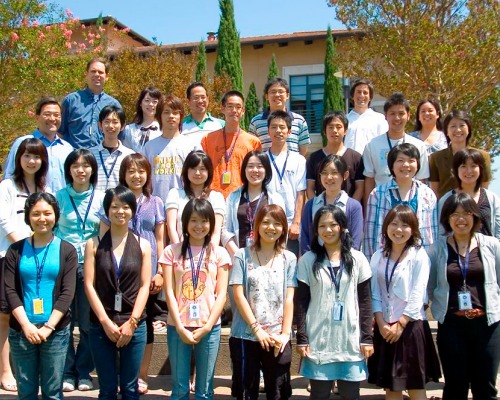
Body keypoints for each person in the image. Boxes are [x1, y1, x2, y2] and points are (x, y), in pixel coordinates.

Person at [295, 205, 373, 400]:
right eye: (322, 226)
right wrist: (302, 337)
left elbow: (365, 302)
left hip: (350, 340)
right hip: (319, 340)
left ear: (342, 227)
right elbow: (301, 302)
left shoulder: (358, 259)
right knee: (319, 395)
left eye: (333, 225)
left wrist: (367, 337)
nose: (328, 230)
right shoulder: (308, 260)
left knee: (350, 395)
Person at [4, 192, 77, 400]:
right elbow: (10, 290)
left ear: (56, 216)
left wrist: (48, 327)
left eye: (47, 213)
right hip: (21, 331)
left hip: (55, 331)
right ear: (28, 217)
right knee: (25, 392)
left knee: (53, 392)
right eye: (36, 214)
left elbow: (67, 292)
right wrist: (27, 325)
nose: (42, 218)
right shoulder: (15, 250)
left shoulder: (67, 250)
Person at [428, 192, 500, 400]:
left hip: (487, 324)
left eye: (467, 213)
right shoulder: (437, 249)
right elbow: (430, 285)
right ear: (447, 218)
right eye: (455, 214)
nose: (461, 219)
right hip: (452, 324)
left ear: (476, 217)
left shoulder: (491, 245)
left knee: (485, 386)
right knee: (455, 385)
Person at [84, 186, 152, 399]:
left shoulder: (143, 245)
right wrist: (105, 322)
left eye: (125, 207)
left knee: (131, 389)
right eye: (114, 207)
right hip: (101, 325)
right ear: (107, 210)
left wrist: (132, 323)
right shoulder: (93, 244)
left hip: (134, 325)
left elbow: (144, 285)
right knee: (107, 389)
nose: (120, 212)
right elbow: (88, 284)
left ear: (132, 210)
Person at [159, 198, 230, 399]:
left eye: (204, 221)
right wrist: (179, 326)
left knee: (205, 388)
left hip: (209, 327)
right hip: (177, 326)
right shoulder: (171, 252)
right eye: (194, 221)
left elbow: (222, 293)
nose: (199, 226)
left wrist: (208, 327)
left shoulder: (220, 253)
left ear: (211, 224)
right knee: (179, 387)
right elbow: (170, 292)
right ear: (185, 223)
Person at [368, 205, 441, 399]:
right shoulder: (378, 256)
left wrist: (400, 324)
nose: (398, 230)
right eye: (394, 224)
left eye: (405, 225)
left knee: (416, 388)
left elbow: (418, 294)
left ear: (413, 230)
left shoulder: (419, 255)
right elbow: (374, 293)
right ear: (386, 227)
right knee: (392, 389)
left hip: (411, 327)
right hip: (385, 329)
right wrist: (382, 324)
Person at [107, 154, 166, 394]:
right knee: (118, 320)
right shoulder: (115, 199)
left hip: (148, 274)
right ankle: (120, 374)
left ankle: (140, 375)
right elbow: (105, 237)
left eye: (141, 171)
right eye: (131, 171)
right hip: (120, 274)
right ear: (123, 174)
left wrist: (160, 270)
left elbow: (161, 239)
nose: (136, 175)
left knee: (145, 325)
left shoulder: (156, 202)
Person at [229, 204, 297, 400]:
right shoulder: (242, 255)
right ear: (257, 225)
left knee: (278, 392)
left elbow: (289, 298)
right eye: (266, 222)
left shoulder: (289, 258)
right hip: (245, 335)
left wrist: (285, 334)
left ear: (283, 228)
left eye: (277, 223)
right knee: (246, 393)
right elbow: (238, 294)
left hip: (277, 337)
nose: (271, 227)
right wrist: (256, 328)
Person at [0, 138, 49, 393]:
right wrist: (27, 246)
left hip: (37, 259)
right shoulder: (7, 186)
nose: (32, 161)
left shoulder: (43, 187)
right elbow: (5, 221)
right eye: (27, 156)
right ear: (18, 159)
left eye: (37, 156)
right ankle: (5, 370)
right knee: (6, 315)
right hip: (9, 256)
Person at [55, 149, 104, 392]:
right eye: (75, 165)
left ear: (93, 170)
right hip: (64, 265)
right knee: (63, 321)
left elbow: (104, 233)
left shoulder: (101, 197)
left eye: (86, 165)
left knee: (86, 323)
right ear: (69, 170)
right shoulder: (59, 197)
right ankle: (66, 372)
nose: (81, 170)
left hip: (90, 265)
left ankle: (84, 372)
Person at [364, 143, 438, 260]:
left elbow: (433, 232)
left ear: (418, 164)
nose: (406, 165)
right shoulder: (378, 194)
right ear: (391, 165)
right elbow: (370, 234)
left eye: (411, 160)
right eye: (400, 160)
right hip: (385, 260)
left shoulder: (427, 194)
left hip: (419, 261)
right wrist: (371, 264)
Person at [363, 93, 429, 206]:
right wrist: (367, 209)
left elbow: (421, 179)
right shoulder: (372, 145)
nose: (397, 118)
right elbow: (369, 179)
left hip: (410, 203)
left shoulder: (418, 146)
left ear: (408, 115)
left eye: (401, 113)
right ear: (385, 116)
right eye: (392, 114)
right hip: (382, 203)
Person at [222, 150, 286, 258]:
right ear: (244, 170)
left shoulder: (275, 198)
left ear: (266, 170)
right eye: (250, 166)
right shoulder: (233, 197)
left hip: (268, 259)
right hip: (238, 258)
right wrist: (238, 256)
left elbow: (282, 230)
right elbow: (225, 230)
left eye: (260, 166)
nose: (255, 170)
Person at [3, 97, 74, 193]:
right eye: (47, 114)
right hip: (30, 202)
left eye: (57, 115)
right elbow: (10, 175)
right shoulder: (22, 143)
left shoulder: (67, 148)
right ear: (37, 118)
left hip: (62, 204)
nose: (52, 119)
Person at [201, 90, 261, 198]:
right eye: (230, 106)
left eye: (238, 107)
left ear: (243, 111)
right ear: (222, 109)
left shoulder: (253, 142)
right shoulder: (208, 139)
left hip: (242, 197)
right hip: (214, 196)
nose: (234, 110)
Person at [301, 155, 363, 253]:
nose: (329, 177)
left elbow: (355, 241)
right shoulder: (310, 205)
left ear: (345, 175)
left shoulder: (353, 206)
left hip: (344, 262)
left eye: (334, 173)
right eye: (324, 173)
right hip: (315, 262)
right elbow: (305, 238)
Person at [265, 110, 306, 257]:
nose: (278, 131)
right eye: (274, 127)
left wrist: (296, 222)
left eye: (282, 127)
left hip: (290, 226)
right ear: (268, 131)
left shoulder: (299, 160)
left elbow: (301, 193)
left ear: (289, 132)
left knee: (290, 264)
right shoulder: (262, 160)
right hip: (267, 223)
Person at [145, 95, 199, 203]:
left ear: (181, 116)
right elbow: (146, 181)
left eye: (175, 113)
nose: (171, 116)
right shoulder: (149, 147)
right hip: (157, 207)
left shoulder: (191, 145)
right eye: (166, 112)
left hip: (184, 205)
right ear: (159, 116)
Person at [166, 150, 225, 247]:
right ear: (186, 170)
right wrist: (180, 251)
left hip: (207, 253)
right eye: (193, 168)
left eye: (202, 169)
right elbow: (171, 227)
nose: (197, 173)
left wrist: (209, 254)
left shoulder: (216, 197)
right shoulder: (175, 194)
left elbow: (216, 232)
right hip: (179, 251)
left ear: (209, 172)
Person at [60, 57, 122, 149]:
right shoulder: (71, 100)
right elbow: (60, 131)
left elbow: (119, 134)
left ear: (106, 76)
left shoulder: (113, 105)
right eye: (93, 71)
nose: (97, 75)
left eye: (101, 72)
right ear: (86, 74)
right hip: (74, 157)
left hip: (102, 158)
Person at [429, 110, 492, 199]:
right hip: (446, 207)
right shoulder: (435, 157)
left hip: (474, 206)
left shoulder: (482, 155)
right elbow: (434, 191)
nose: (458, 130)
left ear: (469, 129)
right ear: (446, 131)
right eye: (453, 126)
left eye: (462, 125)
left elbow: (484, 187)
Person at [439, 148, 500, 239]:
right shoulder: (446, 200)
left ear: (480, 169)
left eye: (473, 166)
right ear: (456, 170)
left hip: (487, 252)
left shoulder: (492, 198)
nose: (469, 171)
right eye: (463, 166)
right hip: (455, 252)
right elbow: (441, 232)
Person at [306, 111, 364, 202]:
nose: (334, 131)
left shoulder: (356, 158)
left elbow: (359, 188)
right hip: (322, 212)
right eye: (330, 127)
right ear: (324, 131)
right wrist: (318, 207)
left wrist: (350, 208)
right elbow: (310, 188)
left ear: (345, 131)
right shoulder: (313, 158)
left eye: (338, 127)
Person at [248, 77, 310, 156]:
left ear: (287, 95)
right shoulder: (256, 122)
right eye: (273, 92)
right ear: (266, 96)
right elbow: (252, 147)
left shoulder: (299, 120)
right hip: (266, 166)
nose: (277, 95)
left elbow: (303, 148)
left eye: (281, 92)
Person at [89, 105, 135, 192]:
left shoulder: (129, 155)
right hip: (94, 203)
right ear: (100, 125)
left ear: (122, 126)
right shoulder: (90, 154)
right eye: (107, 121)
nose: (110, 126)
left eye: (115, 122)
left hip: (120, 203)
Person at [343, 78, 388, 155]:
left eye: (365, 92)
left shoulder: (379, 119)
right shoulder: (345, 119)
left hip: (372, 164)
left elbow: (385, 143)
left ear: (370, 97)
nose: (362, 95)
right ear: (352, 96)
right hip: (349, 164)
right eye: (358, 92)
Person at [181, 82, 224, 146]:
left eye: (203, 97)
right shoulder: (180, 125)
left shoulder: (221, 125)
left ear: (208, 99)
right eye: (196, 98)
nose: (200, 101)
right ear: (188, 101)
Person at [121, 87, 162, 154]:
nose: (151, 104)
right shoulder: (130, 129)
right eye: (147, 100)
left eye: (155, 101)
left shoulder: (163, 129)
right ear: (140, 103)